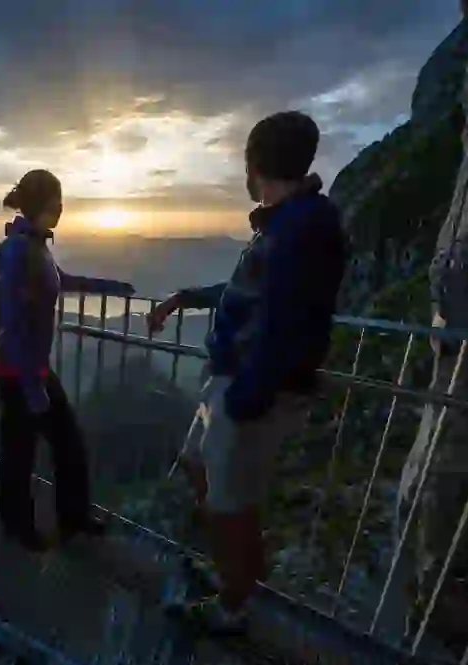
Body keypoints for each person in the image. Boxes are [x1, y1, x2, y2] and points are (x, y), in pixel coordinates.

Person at [147, 111, 347, 634]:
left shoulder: (301, 228)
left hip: (249, 389)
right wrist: (185, 297)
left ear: (254, 166)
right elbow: (251, 293)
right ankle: (229, 571)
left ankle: (233, 604)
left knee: (230, 504)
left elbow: (288, 324)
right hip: (235, 383)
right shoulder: (288, 223)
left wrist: (243, 402)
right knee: (198, 469)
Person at [0, 168, 135, 552]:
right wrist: (32, 388)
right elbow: (12, 324)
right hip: (17, 372)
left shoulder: (35, 246)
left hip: (32, 370)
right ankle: (20, 528)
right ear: (44, 203)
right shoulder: (18, 250)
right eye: (57, 202)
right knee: (21, 454)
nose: (62, 209)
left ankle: (73, 518)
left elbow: (61, 280)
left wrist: (112, 288)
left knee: (65, 445)